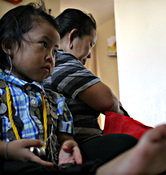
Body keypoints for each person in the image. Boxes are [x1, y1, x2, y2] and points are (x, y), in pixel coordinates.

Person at [0, 3, 166, 175]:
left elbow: (65, 138)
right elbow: (107, 101)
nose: (51, 57)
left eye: (55, 51)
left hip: (50, 165)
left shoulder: (55, 100)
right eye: (44, 44)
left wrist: (68, 146)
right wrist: (7, 150)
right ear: (9, 46)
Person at [43, 8, 127, 144]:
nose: (89, 55)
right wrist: (118, 106)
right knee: (129, 142)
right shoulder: (63, 61)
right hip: (82, 144)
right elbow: (108, 101)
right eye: (90, 44)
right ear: (72, 37)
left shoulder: (51, 63)